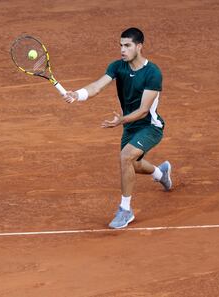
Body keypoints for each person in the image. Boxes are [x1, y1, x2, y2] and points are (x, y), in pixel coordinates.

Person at [64, 27, 172, 229]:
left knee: (126, 157)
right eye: (121, 45)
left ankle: (125, 210)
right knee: (133, 164)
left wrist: (120, 120)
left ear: (139, 47)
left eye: (127, 45)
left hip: (150, 127)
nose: (122, 50)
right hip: (130, 128)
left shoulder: (153, 73)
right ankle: (160, 173)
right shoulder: (117, 67)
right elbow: (96, 86)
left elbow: (143, 110)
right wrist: (77, 94)